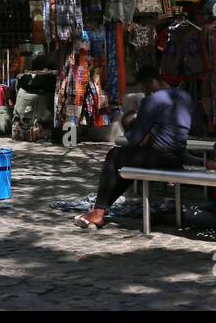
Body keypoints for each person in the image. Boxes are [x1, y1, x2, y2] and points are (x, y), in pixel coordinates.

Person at [74, 66, 192, 229]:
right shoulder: (185, 96)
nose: (146, 93)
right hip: (178, 156)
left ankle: (99, 211)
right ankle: (101, 210)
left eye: (145, 88)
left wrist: (131, 123)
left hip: (157, 156)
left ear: (151, 82)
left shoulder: (154, 100)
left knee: (114, 155)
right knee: (127, 165)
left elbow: (135, 139)